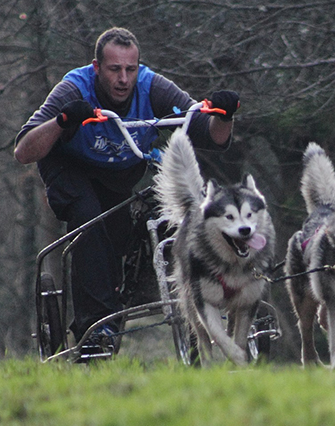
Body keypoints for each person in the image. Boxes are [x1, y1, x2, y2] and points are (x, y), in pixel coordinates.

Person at [14, 27, 239, 353]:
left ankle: (158, 287)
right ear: (96, 68)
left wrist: (224, 114)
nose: (123, 78)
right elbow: (23, 151)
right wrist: (63, 120)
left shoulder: (153, 87)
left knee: (143, 224)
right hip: (70, 170)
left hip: (118, 174)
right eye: (114, 69)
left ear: (138, 68)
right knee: (89, 220)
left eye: (129, 70)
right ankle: (95, 330)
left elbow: (209, 134)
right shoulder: (74, 88)